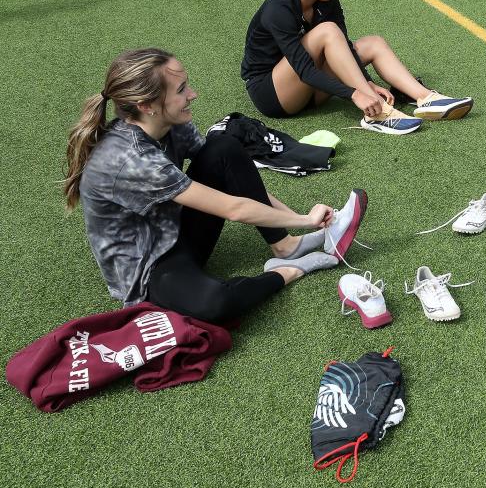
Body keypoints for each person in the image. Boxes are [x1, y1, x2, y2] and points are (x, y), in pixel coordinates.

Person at [64, 48, 368, 324]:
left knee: (223, 147)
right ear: (147, 106)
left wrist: (296, 222)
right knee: (217, 303)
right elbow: (233, 208)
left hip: (174, 229)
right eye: (181, 90)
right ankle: (288, 270)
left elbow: (230, 175)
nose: (192, 94)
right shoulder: (131, 160)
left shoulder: (171, 123)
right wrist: (305, 219)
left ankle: (286, 246)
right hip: (148, 270)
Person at [241, 0, 473, 134]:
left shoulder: (328, 3)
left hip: (311, 89)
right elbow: (303, 68)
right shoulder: (278, 8)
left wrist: (367, 82)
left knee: (371, 43)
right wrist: (356, 93)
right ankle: (377, 113)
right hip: (273, 94)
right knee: (328, 31)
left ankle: (425, 98)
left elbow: (345, 51)